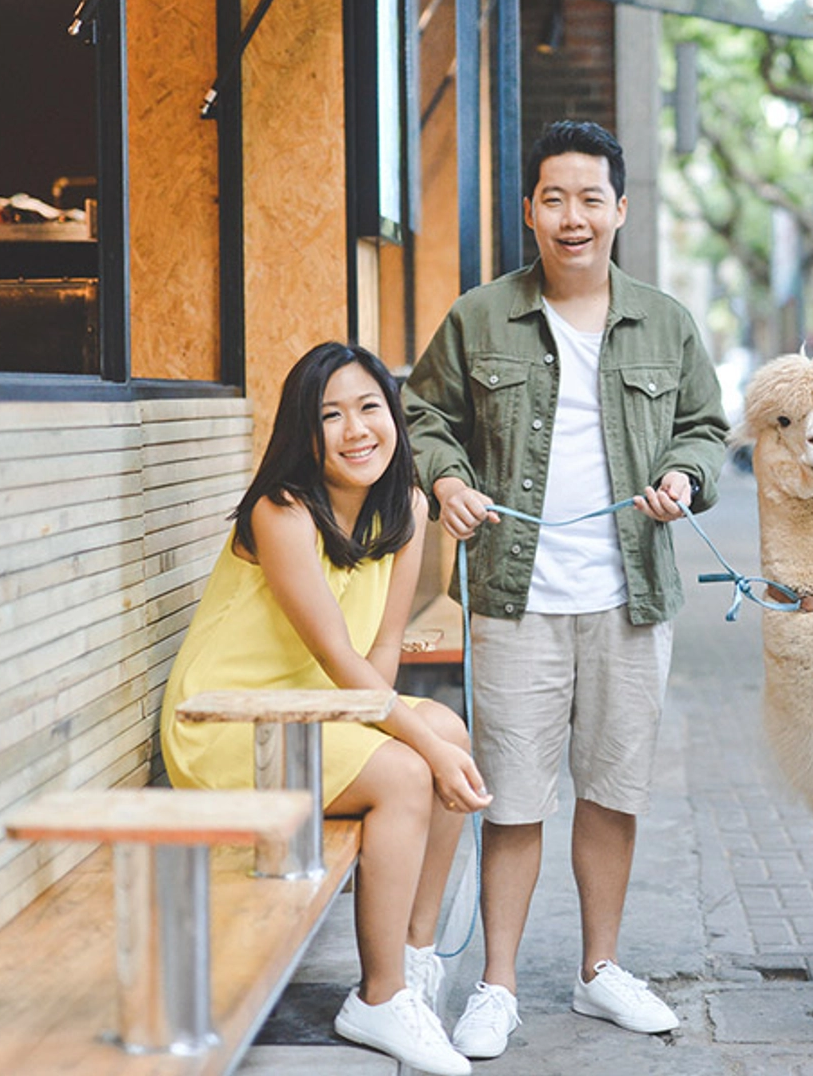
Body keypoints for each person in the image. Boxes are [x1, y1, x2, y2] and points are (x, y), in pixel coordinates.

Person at [403, 121, 729, 1059]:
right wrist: (450, 480)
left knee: (614, 791)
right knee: (510, 798)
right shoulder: (479, 317)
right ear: (530, 211)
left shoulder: (665, 321)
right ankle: (497, 985)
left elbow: (705, 428)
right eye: (555, 198)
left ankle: (598, 972)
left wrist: (685, 478)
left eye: (592, 199)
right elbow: (424, 415)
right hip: (515, 597)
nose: (573, 217)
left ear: (620, 211)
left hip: (631, 597)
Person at [160, 341, 491, 1076]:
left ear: (395, 419)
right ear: (303, 434)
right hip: (227, 723)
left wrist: (431, 741)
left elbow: (379, 659)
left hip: (315, 712)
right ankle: (378, 996)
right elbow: (343, 662)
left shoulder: (405, 508)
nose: (356, 430)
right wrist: (423, 751)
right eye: (330, 415)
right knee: (413, 770)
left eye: (370, 408)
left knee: (448, 728)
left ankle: (414, 955)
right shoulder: (283, 513)